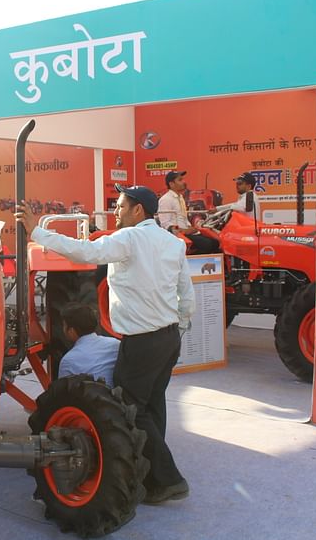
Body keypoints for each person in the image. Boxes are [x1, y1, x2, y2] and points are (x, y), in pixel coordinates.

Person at [16, 184, 195, 505]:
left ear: (138, 210)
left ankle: (169, 479)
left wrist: (36, 233)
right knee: (153, 405)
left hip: (142, 342)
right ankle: (152, 477)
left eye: (121, 206)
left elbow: (85, 251)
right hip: (168, 338)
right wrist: (179, 326)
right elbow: (187, 293)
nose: (115, 211)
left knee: (130, 409)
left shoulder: (128, 240)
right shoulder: (172, 242)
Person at [58, 302, 119, 387]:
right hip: (117, 397)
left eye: (64, 326)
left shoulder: (68, 361)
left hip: (88, 399)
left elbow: (63, 393)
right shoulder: (115, 344)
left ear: (71, 331)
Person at [157, 170, 219, 254]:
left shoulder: (180, 198)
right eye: (180, 180)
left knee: (216, 242)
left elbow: (183, 219)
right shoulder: (165, 199)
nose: (184, 182)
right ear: (171, 184)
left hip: (188, 232)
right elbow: (166, 224)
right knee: (208, 244)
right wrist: (184, 231)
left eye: (183, 179)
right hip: (178, 236)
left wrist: (191, 228)